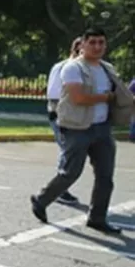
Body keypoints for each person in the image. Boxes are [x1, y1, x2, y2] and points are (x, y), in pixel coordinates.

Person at [32, 27, 131, 234]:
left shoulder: (107, 68)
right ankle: (42, 200)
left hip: (102, 128)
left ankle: (97, 218)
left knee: (106, 176)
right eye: (92, 42)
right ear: (83, 44)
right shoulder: (72, 68)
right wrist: (107, 97)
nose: (97, 47)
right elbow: (79, 98)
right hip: (77, 128)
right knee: (70, 173)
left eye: (101, 43)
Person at [44, 38, 83, 205]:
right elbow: (53, 93)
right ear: (75, 51)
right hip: (62, 115)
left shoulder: (85, 69)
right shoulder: (63, 67)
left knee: (70, 152)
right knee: (67, 152)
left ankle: (59, 189)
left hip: (76, 117)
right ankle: (58, 190)